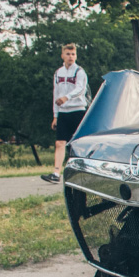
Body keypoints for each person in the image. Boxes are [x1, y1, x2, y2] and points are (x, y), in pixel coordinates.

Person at [41, 43, 88, 183]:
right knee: (60, 143)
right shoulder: (58, 73)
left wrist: (67, 97)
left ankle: (82, 172)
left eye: (73, 54)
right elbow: (56, 93)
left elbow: (81, 89)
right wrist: (55, 115)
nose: (70, 57)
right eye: (68, 54)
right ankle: (56, 174)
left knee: (78, 143)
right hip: (63, 112)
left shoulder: (79, 71)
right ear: (62, 55)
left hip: (77, 110)